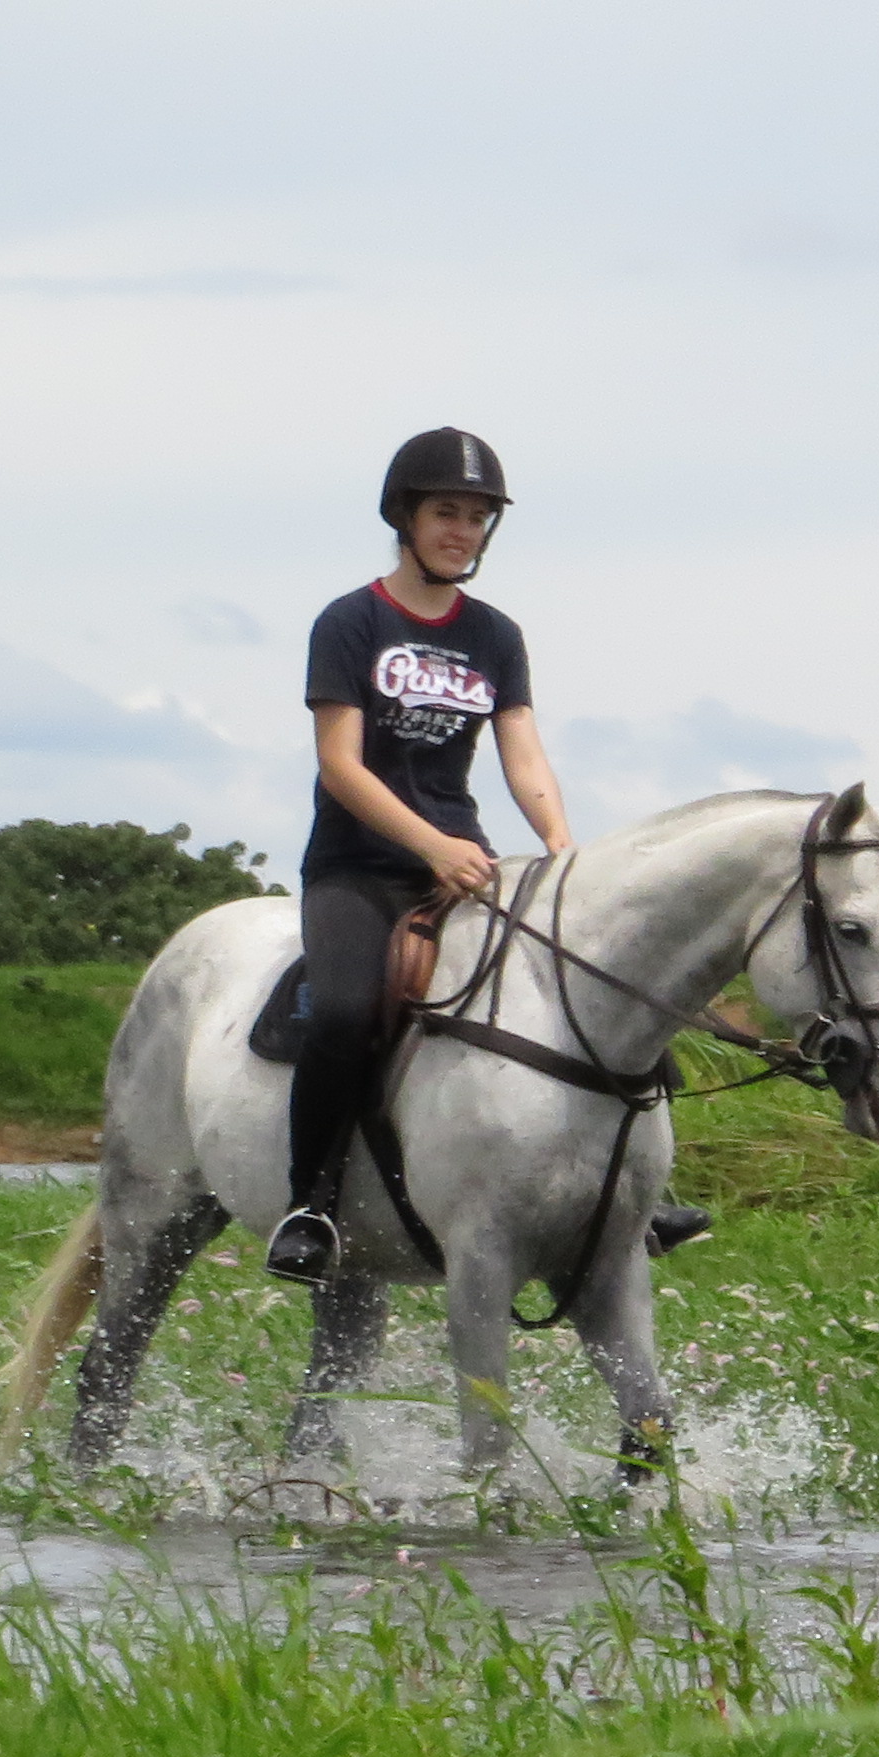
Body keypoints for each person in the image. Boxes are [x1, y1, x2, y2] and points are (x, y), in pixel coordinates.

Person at [269, 428, 578, 1282]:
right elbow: (340, 765)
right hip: (360, 865)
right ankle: (310, 1203)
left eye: (479, 517)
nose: (463, 530)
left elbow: (522, 751)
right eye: (447, 512)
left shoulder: (496, 635)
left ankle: (622, 1190)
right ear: (405, 516)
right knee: (339, 1014)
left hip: (465, 862)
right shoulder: (352, 620)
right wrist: (432, 844)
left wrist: (559, 848)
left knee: (576, 982)